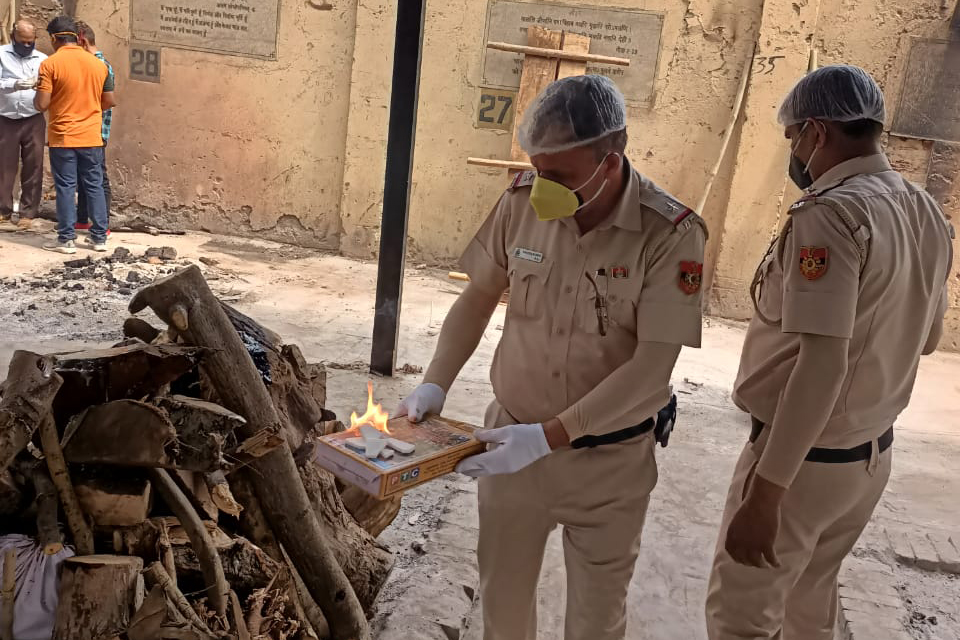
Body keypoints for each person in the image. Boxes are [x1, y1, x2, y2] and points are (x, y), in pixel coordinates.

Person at [397, 75, 707, 640]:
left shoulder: (669, 234)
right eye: (537, 169)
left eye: (559, 175)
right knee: (504, 607)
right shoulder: (521, 203)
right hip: (511, 444)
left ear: (610, 163)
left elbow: (652, 368)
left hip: (611, 464)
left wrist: (551, 436)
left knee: (596, 621)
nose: (542, 186)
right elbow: (478, 297)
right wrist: (434, 383)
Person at [705, 64, 954, 639]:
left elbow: (822, 362)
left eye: (793, 137)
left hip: (802, 465)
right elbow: (930, 339)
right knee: (808, 607)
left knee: (741, 617)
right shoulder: (924, 212)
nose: (794, 152)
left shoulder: (831, 213)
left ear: (817, 132)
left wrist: (765, 494)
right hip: (868, 459)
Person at [33, 15, 114, 254]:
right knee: (94, 185)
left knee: (66, 186)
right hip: (91, 135)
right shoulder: (99, 65)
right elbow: (109, 101)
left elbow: (42, 104)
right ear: (77, 38)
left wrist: (39, 93)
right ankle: (99, 238)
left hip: (63, 136)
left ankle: (66, 239)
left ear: (55, 38)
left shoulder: (50, 64)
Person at [0, 20, 47, 231]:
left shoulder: (43, 59)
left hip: (33, 117)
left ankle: (28, 212)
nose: (27, 46)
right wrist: (14, 84)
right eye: (23, 42)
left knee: (34, 165)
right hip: (5, 117)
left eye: (31, 42)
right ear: (13, 38)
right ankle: (3, 210)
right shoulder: (1, 55)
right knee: (4, 166)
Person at [74, 20, 113, 232]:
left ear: (83, 41)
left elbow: (107, 100)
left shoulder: (100, 66)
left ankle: (102, 223)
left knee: (98, 177)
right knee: (82, 175)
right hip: (85, 129)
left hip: (95, 130)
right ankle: (81, 219)